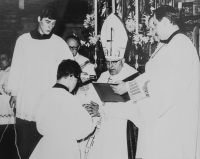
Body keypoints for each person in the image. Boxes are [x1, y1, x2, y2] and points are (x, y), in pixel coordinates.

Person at [106, 5, 200, 159]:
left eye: (155, 24)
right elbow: (152, 76)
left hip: (173, 122)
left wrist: (129, 88)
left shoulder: (181, 46)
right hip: (163, 120)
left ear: (166, 21)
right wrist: (126, 87)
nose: (153, 31)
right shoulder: (167, 45)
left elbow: (165, 87)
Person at [8, 3, 73, 159]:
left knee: (45, 146)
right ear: (39, 19)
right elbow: (16, 67)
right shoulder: (23, 40)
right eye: (47, 21)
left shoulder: (58, 43)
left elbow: (70, 68)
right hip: (27, 99)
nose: (50, 26)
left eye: (53, 23)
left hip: (48, 100)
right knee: (25, 144)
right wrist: (14, 93)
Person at [84, 13, 138, 159]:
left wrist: (101, 111)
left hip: (124, 131)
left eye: (114, 62)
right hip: (106, 129)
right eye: (108, 62)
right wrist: (92, 108)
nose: (110, 66)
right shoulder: (103, 76)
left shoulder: (134, 77)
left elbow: (135, 110)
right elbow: (92, 98)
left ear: (123, 59)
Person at [29, 59, 93, 159]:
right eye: (77, 79)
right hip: (65, 149)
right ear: (71, 76)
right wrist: (88, 115)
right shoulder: (70, 99)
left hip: (45, 146)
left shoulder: (44, 95)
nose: (76, 83)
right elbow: (85, 129)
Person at [65, 35, 96, 104]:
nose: (70, 50)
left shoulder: (85, 62)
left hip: (79, 96)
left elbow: (92, 83)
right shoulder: (60, 60)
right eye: (68, 47)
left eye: (74, 48)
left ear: (78, 47)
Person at [0, 53, 14, 125]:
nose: (0, 61)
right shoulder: (1, 71)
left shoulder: (11, 72)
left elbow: (8, 90)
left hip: (6, 103)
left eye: (3, 59)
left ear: (10, 60)